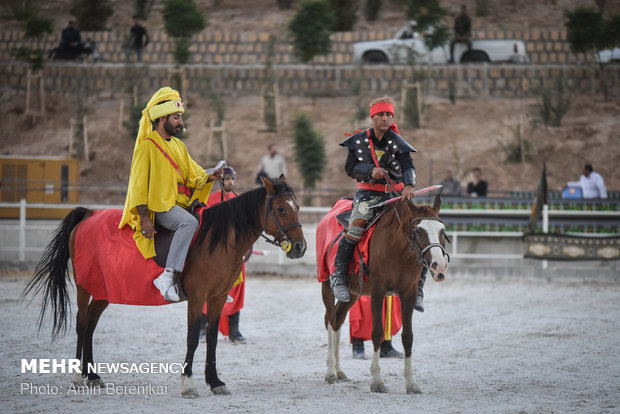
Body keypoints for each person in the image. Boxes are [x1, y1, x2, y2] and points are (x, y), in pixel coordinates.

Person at [119, 86, 223, 303]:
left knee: (207, 221)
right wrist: (144, 216)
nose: (181, 122)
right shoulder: (147, 146)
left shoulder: (178, 145)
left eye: (180, 118)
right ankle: (168, 276)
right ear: (162, 118)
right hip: (160, 206)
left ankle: (206, 281)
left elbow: (194, 174)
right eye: (176, 117)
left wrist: (210, 175)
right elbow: (138, 184)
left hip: (178, 204)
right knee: (188, 223)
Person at [330, 96, 420, 305]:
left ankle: (419, 286)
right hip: (368, 195)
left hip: (395, 196)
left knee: (419, 229)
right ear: (372, 117)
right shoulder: (358, 140)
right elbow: (350, 168)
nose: (385, 119)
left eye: (389, 115)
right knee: (354, 230)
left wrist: (409, 185)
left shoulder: (398, 141)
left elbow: (408, 166)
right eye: (381, 114)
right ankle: (339, 277)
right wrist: (370, 170)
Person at [199, 166, 248, 343]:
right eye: (227, 179)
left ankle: (234, 331)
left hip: (234, 253)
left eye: (232, 179)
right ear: (221, 180)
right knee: (207, 286)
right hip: (215, 253)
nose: (230, 182)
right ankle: (202, 329)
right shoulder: (211, 200)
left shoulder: (238, 200)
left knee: (237, 286)